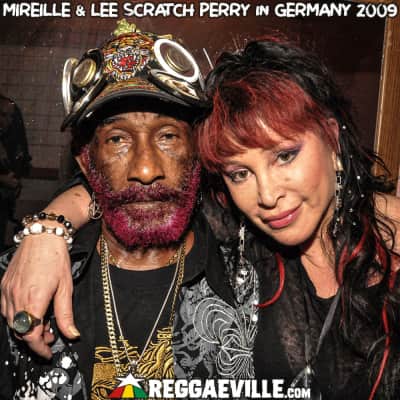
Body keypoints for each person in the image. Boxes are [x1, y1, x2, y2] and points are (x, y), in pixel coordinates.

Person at [2, 37, 400, 399]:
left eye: (284, 155)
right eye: (239, 173)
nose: (267, 195)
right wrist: (46, 229)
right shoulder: (249, 243)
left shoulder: (247, 261)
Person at [0, 22, 258, 399]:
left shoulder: (255, 283)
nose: (146, 169)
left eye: (167, 136)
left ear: (198, 152)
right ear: (86, 161)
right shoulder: (18, 283)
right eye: (118, 140)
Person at [0, 94, 31, 251]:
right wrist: (3, 179)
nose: (8, 121)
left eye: (11, 116)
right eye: (3, 115)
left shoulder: (6, 139)